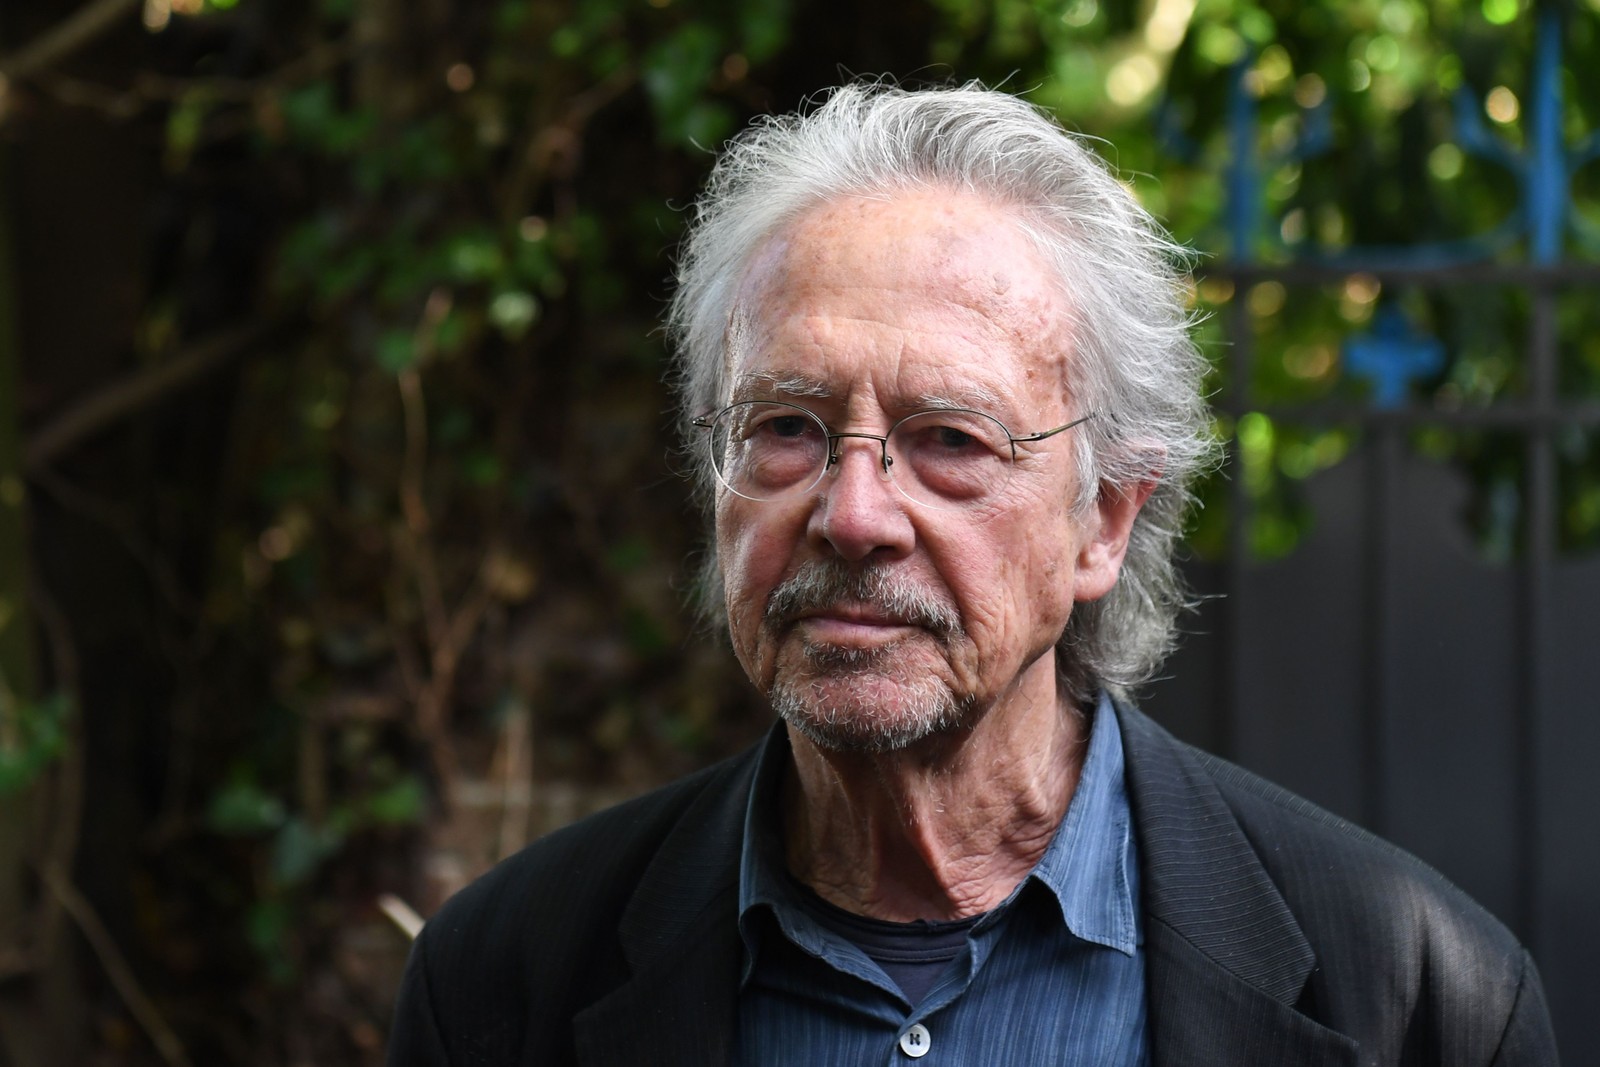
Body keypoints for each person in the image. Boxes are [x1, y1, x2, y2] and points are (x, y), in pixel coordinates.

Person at [386, 83, 1558, 1065]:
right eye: (785, 425)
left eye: (951, 438)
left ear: (1103, 519)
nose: (852, 513)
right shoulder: (505, 982)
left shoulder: (1415, 997)